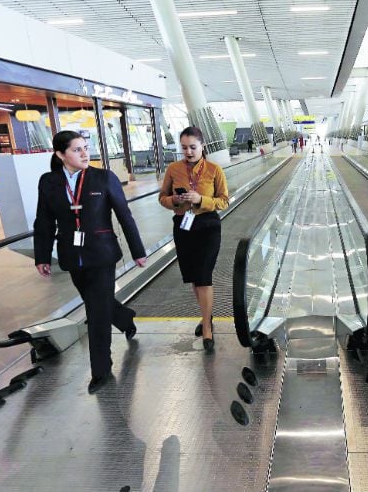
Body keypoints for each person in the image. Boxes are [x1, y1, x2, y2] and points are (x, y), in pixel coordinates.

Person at [34, 131, 147, 394]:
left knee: (96, 313)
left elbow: (124, 216)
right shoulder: (49, 182)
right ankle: (125, 318)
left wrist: (138, 251)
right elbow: (44, 221)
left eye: (85, 148)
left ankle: (101, 370)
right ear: (61, 155)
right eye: (77, 150)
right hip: (72, 256)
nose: (85, 153)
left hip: (102, 254)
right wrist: (42, 256)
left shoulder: (103, 178)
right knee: (98, 302)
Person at [159, 126, 229, 352]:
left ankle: (207, 326)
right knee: (193, 277)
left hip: (208, 225)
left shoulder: (213, 169)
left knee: (204, 276)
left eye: (193, 147)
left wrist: (201, 200)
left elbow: (224, 200)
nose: (188, 152)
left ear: (202, 146)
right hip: (183, 226)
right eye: (184, 148)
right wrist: (175, 201)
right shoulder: (173, 169)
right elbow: (162, 197)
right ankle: (205, 316)